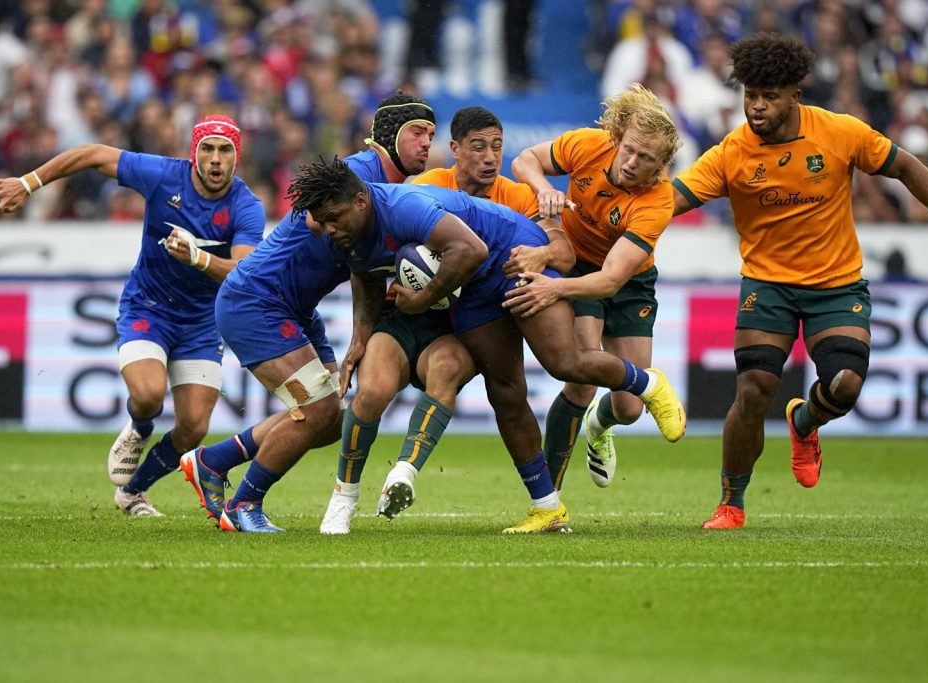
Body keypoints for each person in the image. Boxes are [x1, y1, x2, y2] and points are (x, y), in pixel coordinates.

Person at [670, 33, 928, 529]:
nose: (756, 106)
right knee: (753, 390)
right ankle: (731, 503)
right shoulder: (731, 152)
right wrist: (614, 222)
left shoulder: (838, 133)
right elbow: (673, 200)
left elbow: (904, 166)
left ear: (795, 96)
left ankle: (805, 421)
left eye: (768, 96)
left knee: (845, 383)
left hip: (835, 284)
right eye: (750, 95)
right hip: (767, 285)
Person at [289, 156, 686, 533]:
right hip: (474, 286)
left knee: (564, 362)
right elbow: (365, 273)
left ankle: (648, 385)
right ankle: (547, 507)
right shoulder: (345, 230)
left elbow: (472, 249)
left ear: (360, 201)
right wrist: (360, 337)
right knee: (505, 391)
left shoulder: (404, 206)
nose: (329, 230)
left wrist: (425, 298)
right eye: (324, 223)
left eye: (333, 220)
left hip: (512, 254)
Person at [0, 114, 265, 517]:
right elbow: (91, 154)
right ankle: (140, 428)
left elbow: (243, 272)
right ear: (193, 153)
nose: (216, 159)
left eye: (225, 150)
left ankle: (133, 491)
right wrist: (27, 183)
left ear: (237, 156)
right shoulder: (163, 175)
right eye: (208, 149)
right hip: (148, 308)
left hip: (201, 322)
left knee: (194, 426)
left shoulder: (246, 206)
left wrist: (197, 257)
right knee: (146, 396)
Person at [177, 93, 437, 532]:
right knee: (315, 410)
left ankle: (213, 461)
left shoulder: (388, 190)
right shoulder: (356, 173)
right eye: (417, 133)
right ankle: (243, 505)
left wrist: (360, 336)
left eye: (431, 134)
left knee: (333, 417)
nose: (427, 144)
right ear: (389, 137)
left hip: (295, 308)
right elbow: (322, 225)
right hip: (257, 299)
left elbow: (364, 266)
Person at [320, 105, 576, 535]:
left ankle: (412, 473)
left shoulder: (518, 197)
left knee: (509, 390)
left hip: (462, 320)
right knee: (372, 392)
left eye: (497, 146)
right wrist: (364, 333)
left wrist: (543, 252)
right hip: (412, 316)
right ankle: (342, 499)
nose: (490, 157)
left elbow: (565, 256)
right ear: (456, 151)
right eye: (479, 147)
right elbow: (369, 263)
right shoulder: (425, 189)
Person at [507, 83, 684, 494]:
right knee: (582, 375)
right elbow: (524, 159)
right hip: (577, 261)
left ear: (662, 164)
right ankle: (549, 500)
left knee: (630, 407)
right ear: (619, 139)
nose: (632, 163)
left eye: (646, 159)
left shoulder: (658, 200)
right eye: (630, 150)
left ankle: (599, 424)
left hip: (627, 280)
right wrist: (544, 188)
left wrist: (554, 291)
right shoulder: (589, 145)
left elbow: (611, 279)